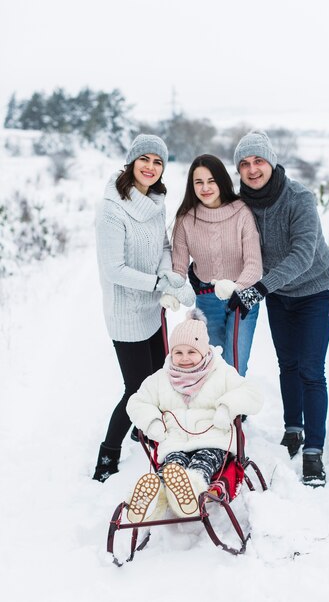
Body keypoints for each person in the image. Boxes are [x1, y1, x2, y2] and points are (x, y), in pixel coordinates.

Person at [228, 131, 329, 487]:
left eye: (258, 160)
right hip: (277, 294)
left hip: (314, 291)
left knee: (310, 368)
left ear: (271, 161)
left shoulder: (299, 199)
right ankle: (294, 429)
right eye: (244, 164)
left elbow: (303, 256)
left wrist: (259, 289)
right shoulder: (241, 205)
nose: (252, 169)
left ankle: (314, 451)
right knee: (287, 364)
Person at [93, 133, 194, 482]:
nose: (151, 167)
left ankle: (142, 428)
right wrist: (156, 284)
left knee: (156, 375)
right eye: (144, 159)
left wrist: (167, 275)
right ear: (131, 162)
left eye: (158, 162)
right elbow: (113, 269)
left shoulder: (155, 201)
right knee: (135, 388)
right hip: (126, 313)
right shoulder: (111, 209)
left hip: (153, 307)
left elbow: (164, 245)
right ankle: (108, 454)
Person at [125, 309, 262, 522]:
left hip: (213, 440)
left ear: (204, 351)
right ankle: (155, 498)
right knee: (172, 467)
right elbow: (136, 402)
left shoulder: (221, 373)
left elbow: (252, 395)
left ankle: (191, 493)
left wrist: (227, 408)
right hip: (175, 442)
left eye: (191, 352)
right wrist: (152, 422)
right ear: (171, 353)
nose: (185, 358)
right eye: (178, 352)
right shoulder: (161, 378)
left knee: (202, 463)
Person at [171, 154, 262, 376]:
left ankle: (235, 410)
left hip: (242, 297)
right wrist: (172, 290)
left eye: (211, 181)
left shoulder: (242, 212)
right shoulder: (186, 220)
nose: (205, 188)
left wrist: (236, 287)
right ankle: (210, 409)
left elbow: (254, 264)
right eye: (198, 182)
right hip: (207, 299)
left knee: (235, 362)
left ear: (222, 181)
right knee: (207, 363)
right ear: (192, 186)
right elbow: (178, 266)